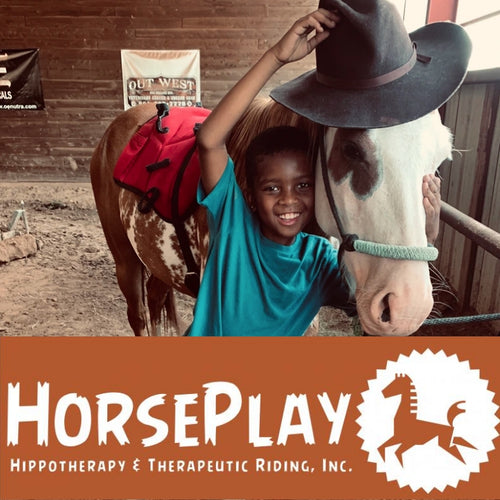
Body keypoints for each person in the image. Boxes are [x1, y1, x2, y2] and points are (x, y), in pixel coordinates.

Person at [186, 9, 441, 336]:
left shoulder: (320, 260)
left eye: (303, 185)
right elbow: (209, 140)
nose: (289, 200)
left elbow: (376, 297)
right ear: (248, 193)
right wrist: (277, 57)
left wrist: (426, 238)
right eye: (272, 189)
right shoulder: (232, 224)